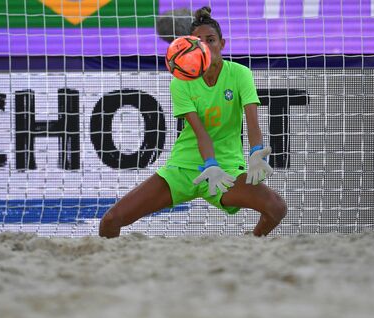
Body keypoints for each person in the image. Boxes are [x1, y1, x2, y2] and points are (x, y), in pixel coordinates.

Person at [99, 6, 287, 238]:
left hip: (226, 169)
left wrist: (257, 152)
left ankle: (252, 242)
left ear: (223, 43)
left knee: (276, 208)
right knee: (111, 220)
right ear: (191, 47)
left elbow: (252, 122)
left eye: (211, 40)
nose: (206, 46)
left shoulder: (240, 73)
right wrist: (209, 163)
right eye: (199, 41)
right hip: (185, 168)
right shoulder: (181, 81)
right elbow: (201, 133)